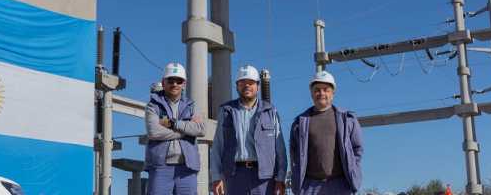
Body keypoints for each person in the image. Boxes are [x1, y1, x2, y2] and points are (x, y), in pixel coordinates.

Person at [211, 65, 287, 195]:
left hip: (264, 178)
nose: (247, 86)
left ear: (258, 86)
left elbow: (280, 148)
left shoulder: (270, 111)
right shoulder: (226, 111)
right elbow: (218, 146)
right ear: (237, 86)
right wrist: (216, 176)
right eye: (242, 83)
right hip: (235, 176)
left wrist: (281, 178)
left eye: (251, 83)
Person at [289, 71, 363, 195]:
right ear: (311, 94)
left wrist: (353, 170)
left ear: (332, 93)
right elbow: (294, 153)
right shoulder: (299, 123)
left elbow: (357, 148)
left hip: (340, 184)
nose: (321, 93)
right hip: (310, 186)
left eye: (326, 90)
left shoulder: (347, 119)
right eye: (317, 90)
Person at [146, 62, 207, 195]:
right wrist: (186, 132)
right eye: (171, 80)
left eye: (178, 81)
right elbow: (154, 131)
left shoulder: (192, 106)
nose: (174, 84)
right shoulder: (153, 105)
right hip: (160, 167)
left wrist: (173, 124)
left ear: (184, 84)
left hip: (187, 168)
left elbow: (201, 129)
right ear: (163, 82)